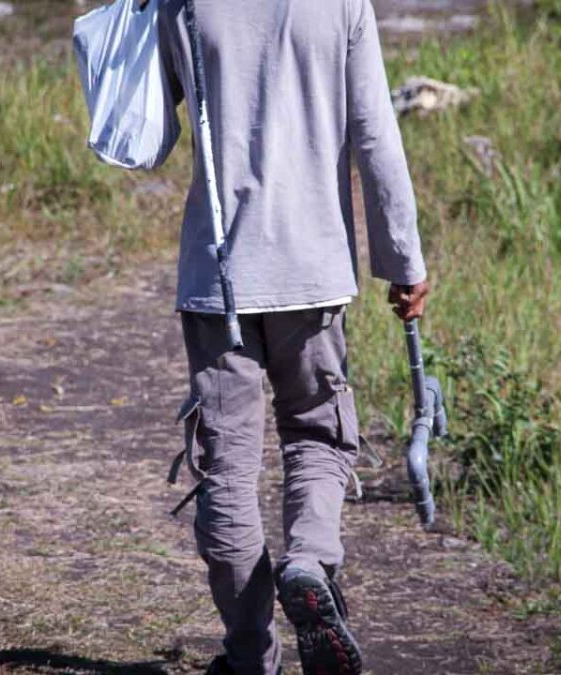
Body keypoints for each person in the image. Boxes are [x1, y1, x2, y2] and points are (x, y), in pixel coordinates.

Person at [157, 1, 429, 673]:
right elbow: (374, 133)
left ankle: (249, 655)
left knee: (227, 467)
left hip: (216, 276)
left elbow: (148, 128)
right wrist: (403, 261)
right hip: (312, 270)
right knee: (316, 431)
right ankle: (308, 560)